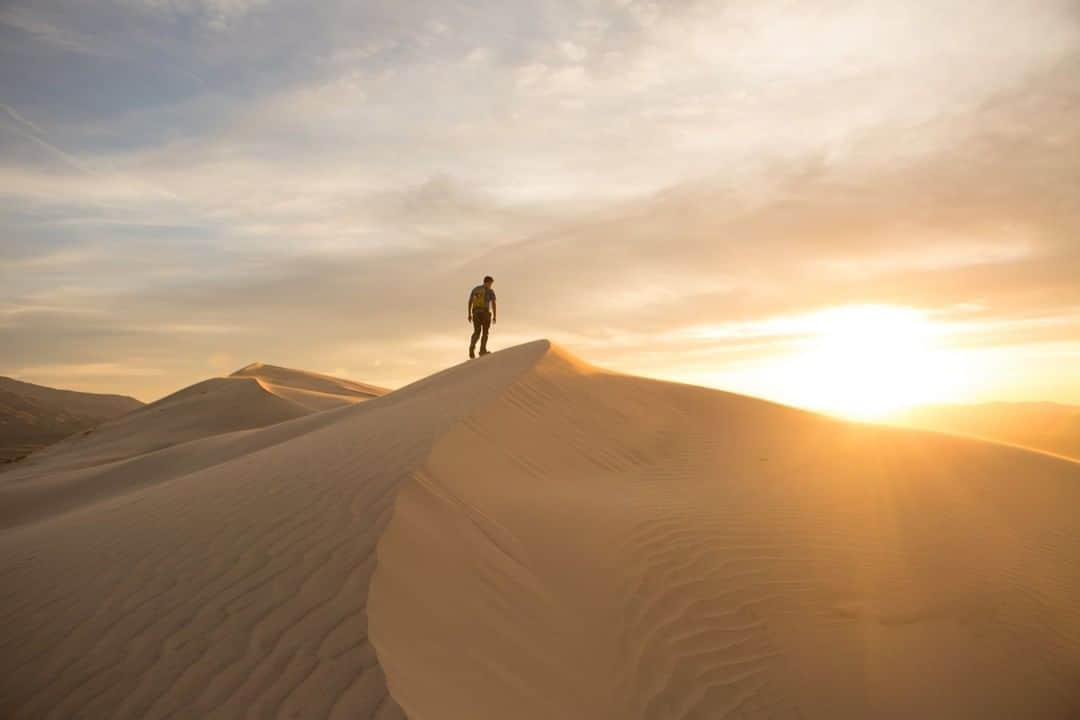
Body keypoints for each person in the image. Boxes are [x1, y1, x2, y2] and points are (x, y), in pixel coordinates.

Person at [467, 275, 497, 358]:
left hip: (475, 313)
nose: (491, 285)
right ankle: (482, 351)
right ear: (488, 282)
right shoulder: (490, 291)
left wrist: (469, 314)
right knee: (485, 332)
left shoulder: (475, 289)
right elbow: (493, 303)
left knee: (477, 332)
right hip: (485, 313)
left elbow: (470, 302)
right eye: (491, 283)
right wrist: (494, 316)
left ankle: (472, 346)